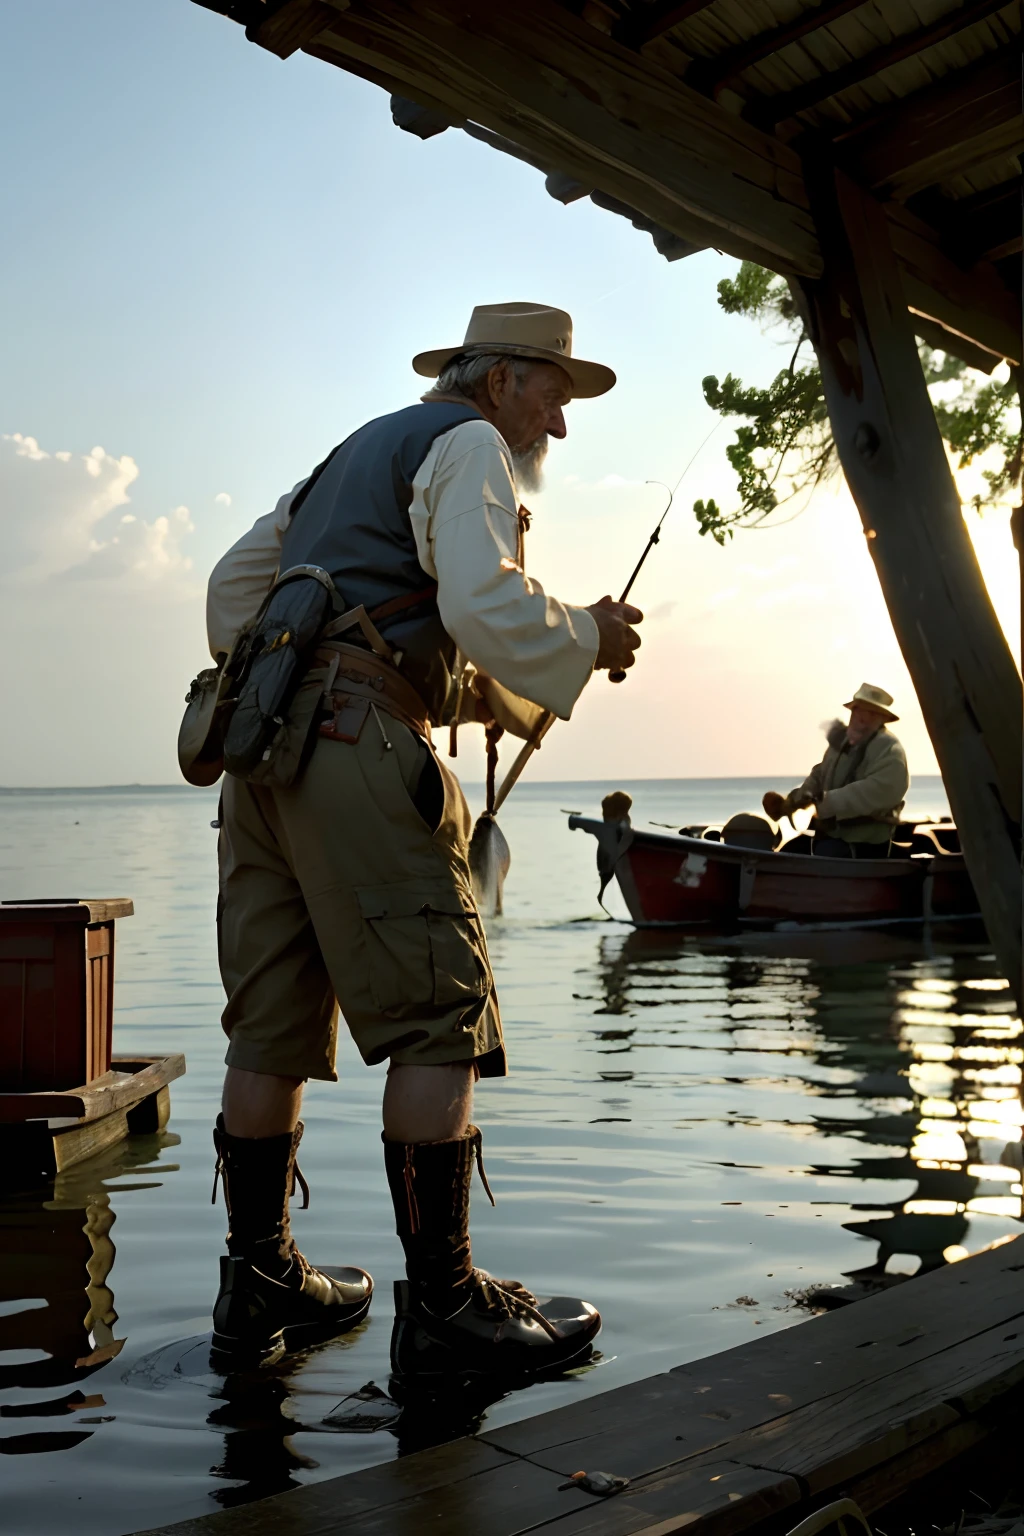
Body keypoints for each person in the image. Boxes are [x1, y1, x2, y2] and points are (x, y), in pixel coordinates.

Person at [201, 302, 643, 1380]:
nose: (558, 424)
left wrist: (392, 672)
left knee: (269, 1032)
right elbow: (486, 602)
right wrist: (586, 635)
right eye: (553, 394)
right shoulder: (469, 443)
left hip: (261, 764)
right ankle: (445, 1311)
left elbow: (229, 598)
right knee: (443, 1023)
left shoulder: (345, 459)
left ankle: (260, 1285)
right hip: (359, 748)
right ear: (498, 383)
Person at [762, 684, 909, 858]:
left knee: (820, 857)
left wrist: (822, 804)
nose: (862, 717)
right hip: (830, 837)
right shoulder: (844, 742)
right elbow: (820, 773)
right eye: (858, 710)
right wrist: (796, 800)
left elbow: (880, 790)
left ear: (883, 718)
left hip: (865, 845)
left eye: (871, 713)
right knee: (793, 851)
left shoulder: (889, 748)